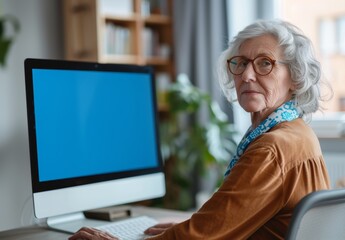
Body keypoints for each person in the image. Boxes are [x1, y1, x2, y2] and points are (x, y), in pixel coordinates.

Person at [69, 19, 331, 240]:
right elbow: (226, 221)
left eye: (265, 63)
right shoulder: (297, 131)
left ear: (295, 79)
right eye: (240, 63)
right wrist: (193, 227)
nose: (247, 75)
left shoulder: (272, 148)